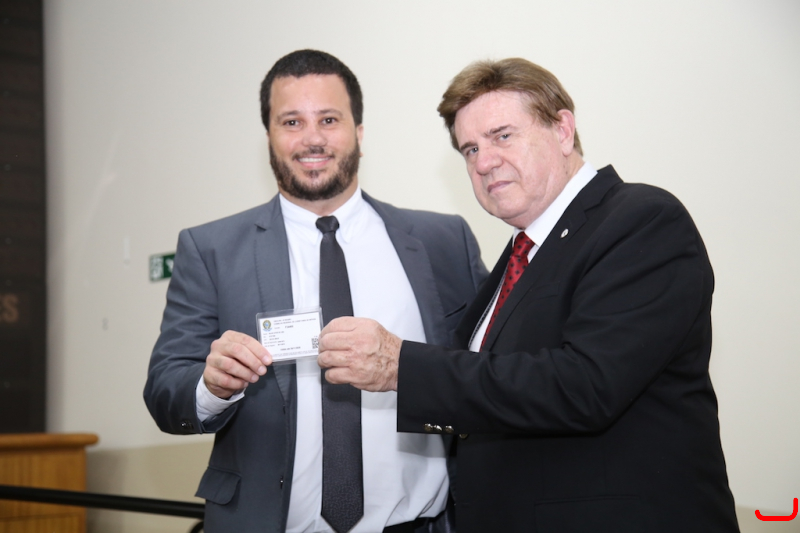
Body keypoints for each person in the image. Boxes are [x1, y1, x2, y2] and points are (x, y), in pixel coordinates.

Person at [317, 58, 740, 532]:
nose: (483, 162)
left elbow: (584, 386)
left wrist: (402, 367)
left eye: (502, 136)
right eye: (470, 149)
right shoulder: (524, 252)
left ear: (563, 130)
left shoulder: (642, 220)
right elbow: (493, 397)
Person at [143, 49, 487, 533]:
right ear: (269, 137)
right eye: (291, 122)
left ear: (359, 132)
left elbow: (488, 372)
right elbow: (164, 388)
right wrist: (210, 386)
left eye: (329, 119)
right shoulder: (211, 250)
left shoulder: (442, 241)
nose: (312, 138)